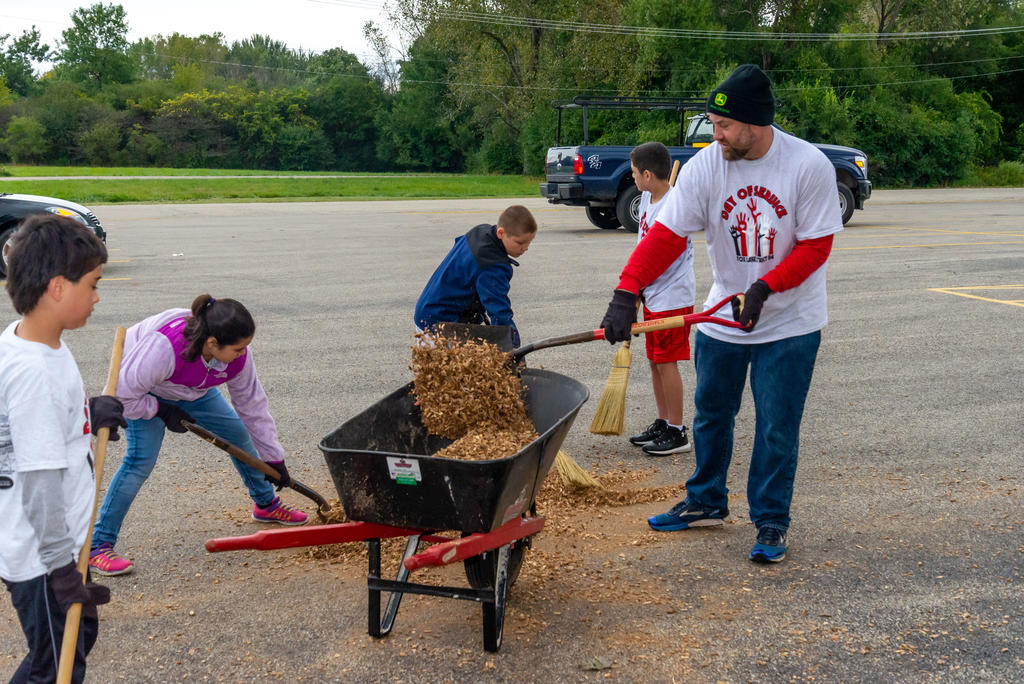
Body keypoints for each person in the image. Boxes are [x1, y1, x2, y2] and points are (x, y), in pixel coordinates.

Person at [600, 64, 843, 563]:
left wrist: (765, 288)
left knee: (776, 426)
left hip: (790, 322)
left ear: (755, 122)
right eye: (713, 123)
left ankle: (771, 520)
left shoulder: (808, 165)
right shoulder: (707, 166)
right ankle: (706, 499)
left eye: (725, 125)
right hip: (723, 315)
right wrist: (627, 290)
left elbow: (816, 247)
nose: (717, 135)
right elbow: (666, 236)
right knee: (711, 414)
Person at [88, 294, 307, 577]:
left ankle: (266, 504)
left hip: (193, 388)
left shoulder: (236, 357)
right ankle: (98, 546)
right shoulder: (163, 347)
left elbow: (251, 405)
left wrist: (273, 458)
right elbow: (121, 397)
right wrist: (160, 410)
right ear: (212, 343)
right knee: (140, 461)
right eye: (238, 349)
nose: (243, 354)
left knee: (238, 434)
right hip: (143, 391)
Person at [0, 214, 125, 682]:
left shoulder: (30, 341)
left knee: (75, 638)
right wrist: (61, 571)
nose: (97, 297)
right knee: (55, 668)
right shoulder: (36, 375)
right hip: (42, 554)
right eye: (92, 285)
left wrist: (89, 413)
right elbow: (39, 481)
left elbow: (35, 425)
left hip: (57, 544)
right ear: (57, 287)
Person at [624, 142, 697, 456]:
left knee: (667, 362)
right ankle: (664, 421)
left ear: (648, 175)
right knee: (655, 360)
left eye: (634, 173)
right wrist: (636, 288)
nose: (632, 177)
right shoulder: (646, 197)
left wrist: (639, 285)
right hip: (652, 293)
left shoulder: (675, 207)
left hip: (672, 296)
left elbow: (664, 256)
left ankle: (677, 431)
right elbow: (644, 245)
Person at [414, 205, 537, 348]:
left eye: (529, 242)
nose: (525, 248)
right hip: (440, 326)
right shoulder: (492, 265)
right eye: (520, 242)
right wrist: (511, 344)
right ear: (501, 233)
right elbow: (498, 309)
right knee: (446, 363)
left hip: (428, 309)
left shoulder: (480, 232)